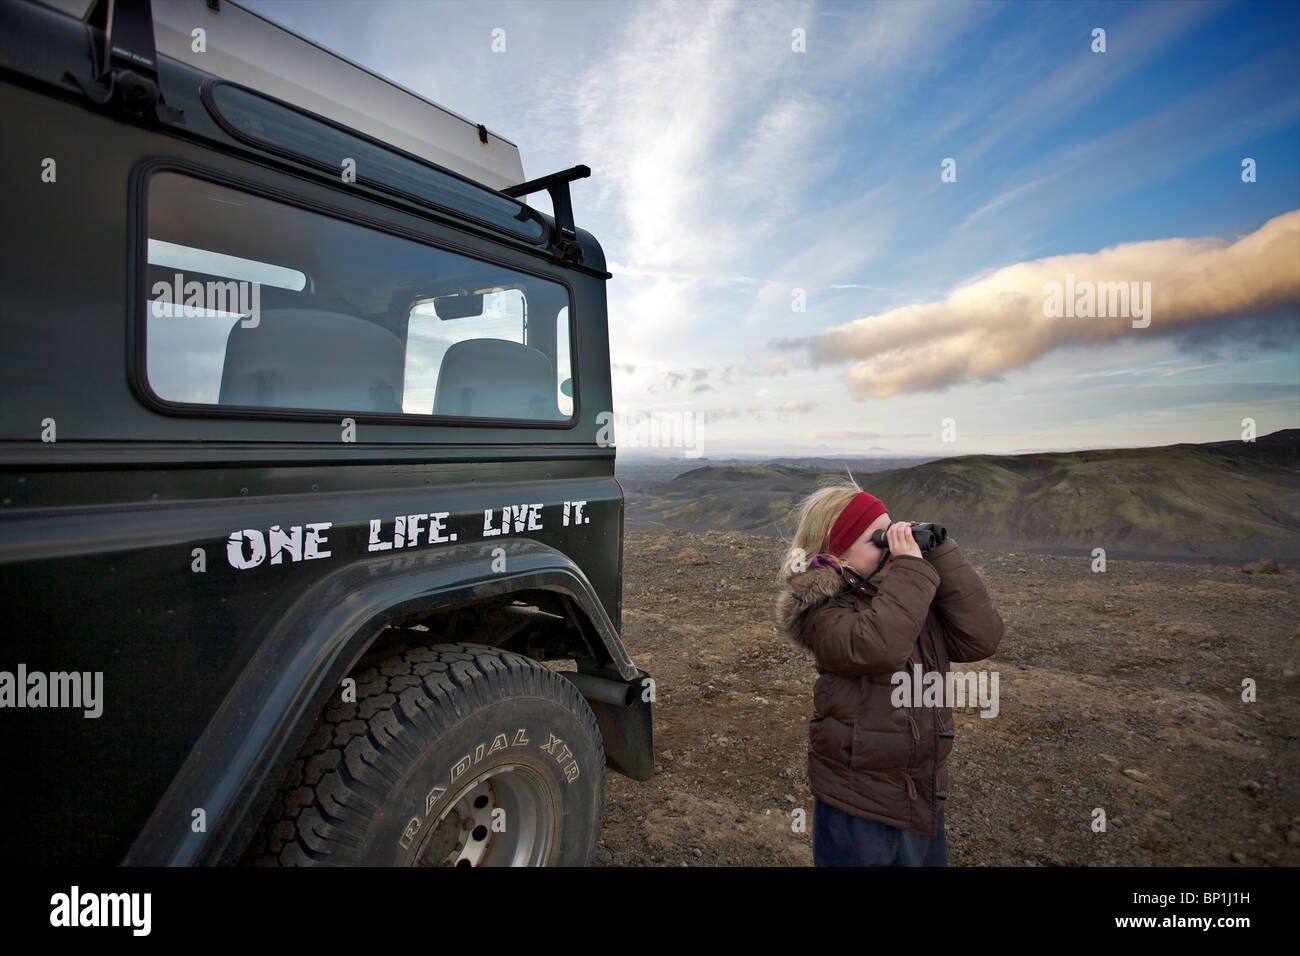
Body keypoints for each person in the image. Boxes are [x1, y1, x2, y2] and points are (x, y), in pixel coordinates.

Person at [773, 481, 1004, 866]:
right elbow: (879, 647)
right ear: (838, 550)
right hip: (857, 798)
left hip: (919, 791)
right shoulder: (824, 611)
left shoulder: (906, 595)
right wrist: (911, 569)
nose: (892, 544)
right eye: (878, 538)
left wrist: (941, 553)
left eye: (891, 529)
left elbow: (981, 639)